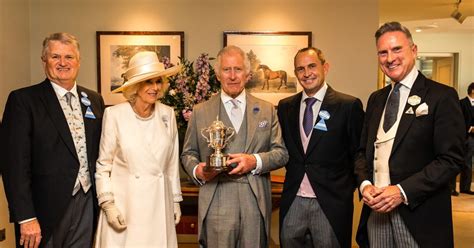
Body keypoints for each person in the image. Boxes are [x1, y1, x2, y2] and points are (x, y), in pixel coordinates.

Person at [354, 22, 465, 248]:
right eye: (383, 52)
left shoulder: (442, 96)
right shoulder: (376, 99)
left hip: (419, 215)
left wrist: (402, 192)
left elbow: (450, 160)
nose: (389, 58)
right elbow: (361, 152)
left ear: (413, 50)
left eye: (397, 49)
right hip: (376, 214)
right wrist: (365, 184)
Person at [0, 32, 105, 247]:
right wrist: (26, 217)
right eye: (55, 57)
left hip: (87, 203)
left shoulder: (94, 100)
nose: (63, 63)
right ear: (44, 61)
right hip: (42, 211)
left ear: (78, 61)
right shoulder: (23, 100)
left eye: (69, 57)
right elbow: (14, 165)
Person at [181, 45, 289, 247]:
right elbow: (188, 153)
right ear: (217, 74)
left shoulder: (266, 110)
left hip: (254, 199)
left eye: (238, 69)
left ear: (247, 74)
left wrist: (254, 161)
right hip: (216, 197)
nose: (232, 76)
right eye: (226, 69)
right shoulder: (200, 111)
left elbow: (281, 153)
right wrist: (198, 171)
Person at [94, 51, 183, 247]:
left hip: (159, 206)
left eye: (158, 81)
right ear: (135, 86)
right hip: (125, 207)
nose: (155, 87)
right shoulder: (115, 115)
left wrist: (175, 199)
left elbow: (171, 164)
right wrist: (108, 204)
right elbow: (103, 165)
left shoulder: (167, 114)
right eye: (148, 82)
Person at [277, 47, 364, 248]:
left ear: (325, 67)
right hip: (293, 201)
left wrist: (342, 190)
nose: (306, 73)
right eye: (300, 69)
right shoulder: (285, 106)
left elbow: (359, 154)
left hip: (330, 203)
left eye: (312, 66)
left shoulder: (348, 106)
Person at [453, 82, 474, 195]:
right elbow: (458, 120)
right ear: (472, 90)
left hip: (472, 139)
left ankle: (465, 188)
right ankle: (452, 188)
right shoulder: (461, 103)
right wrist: (469, 128)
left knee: (468, 163)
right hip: (462, 136)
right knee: (456, 161)